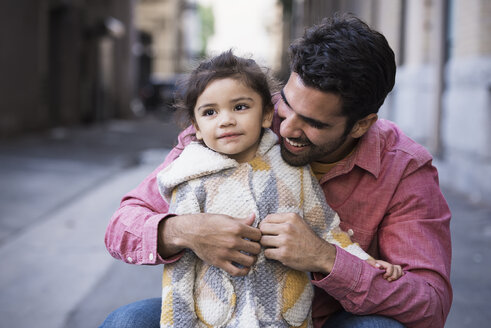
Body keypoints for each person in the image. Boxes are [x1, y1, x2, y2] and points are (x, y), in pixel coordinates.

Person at [102, 13, 452, 328]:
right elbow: (122, 226)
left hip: (327, 319)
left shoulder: (403, 168)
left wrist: (325, 257)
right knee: (126, 322)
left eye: (313, 123)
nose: (285, 129)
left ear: (361, 125)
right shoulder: (234, 123)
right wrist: (187, 230)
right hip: (217, 314)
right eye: (285, 104)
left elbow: (430, 303)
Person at [154, 50, 401, 328]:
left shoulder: (293, 169)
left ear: (266, 114)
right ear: (196, 128)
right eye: (210, 112)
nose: (226, 120)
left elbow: (328, 229)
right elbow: (179, 272)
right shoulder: (189, 180)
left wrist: (367, 262)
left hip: (284, 320)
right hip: (216, 319)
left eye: (240, 107)